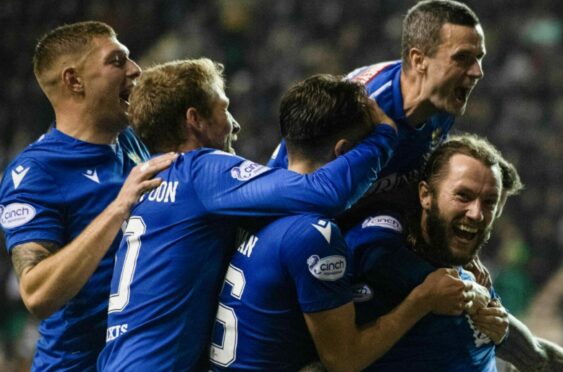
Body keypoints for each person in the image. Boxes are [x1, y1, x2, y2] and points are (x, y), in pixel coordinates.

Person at [97, 60, 400, 371]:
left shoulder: (150, 180)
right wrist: (385, 137)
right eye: (224, 109)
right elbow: (322, 191)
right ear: (194, 119)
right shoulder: (200, 169)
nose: (235, 123)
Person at [209, 75, 480, 372]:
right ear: (344, 153)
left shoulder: (253, 205)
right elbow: (345, 361)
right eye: (365, 153)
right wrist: (423, 300)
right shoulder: (314, 235)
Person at [346, 134, 563, 371]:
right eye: (463, 196)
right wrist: (421, 301)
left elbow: (535, 356)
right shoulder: (377, 259)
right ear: (425, 195)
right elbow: (333, 359)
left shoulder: (471, 281)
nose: (477, 214)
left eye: (489, 203)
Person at [0, 21, 177, 371]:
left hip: (142, 359)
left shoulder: (132, 140)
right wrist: (118, 209)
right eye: (116, 61)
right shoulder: (35, 173)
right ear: (74, 81)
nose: (135, 69)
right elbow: (36, 294)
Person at [269, 0, 485, 197]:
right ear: (419, 61)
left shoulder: (444, 102)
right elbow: (292, 186)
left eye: (478, 58)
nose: (477, 72)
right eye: (462, 58)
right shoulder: (358, 109)